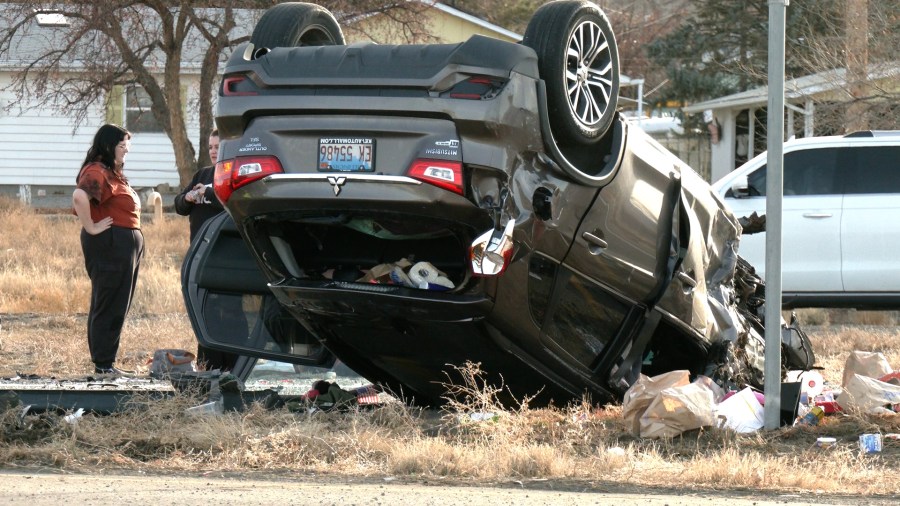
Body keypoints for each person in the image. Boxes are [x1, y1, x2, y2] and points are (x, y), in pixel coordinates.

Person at [72, 124, 144, 375]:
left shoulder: (111, 172)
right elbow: (80, 196)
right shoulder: (97, 170)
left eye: (127, 147)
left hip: (123, 245)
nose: (126, 151)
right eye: (122, 146)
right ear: (108, 145)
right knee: (108, 303)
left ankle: (106, 363)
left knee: (116, 303)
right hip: (110, 244)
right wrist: (90, 227)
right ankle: (103, 366)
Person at [175, 129, 241, 371]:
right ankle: (208, 368)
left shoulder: (235, 174)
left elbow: (234, 203)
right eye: (211, 147)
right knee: (205, 312)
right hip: (201, 256)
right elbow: (179, 205)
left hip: (227, 257)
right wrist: (189, 197)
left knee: (231, 312)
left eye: (218, 146)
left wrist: (210, 193)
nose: (214, 151)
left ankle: (233, 369)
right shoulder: (201, 174)